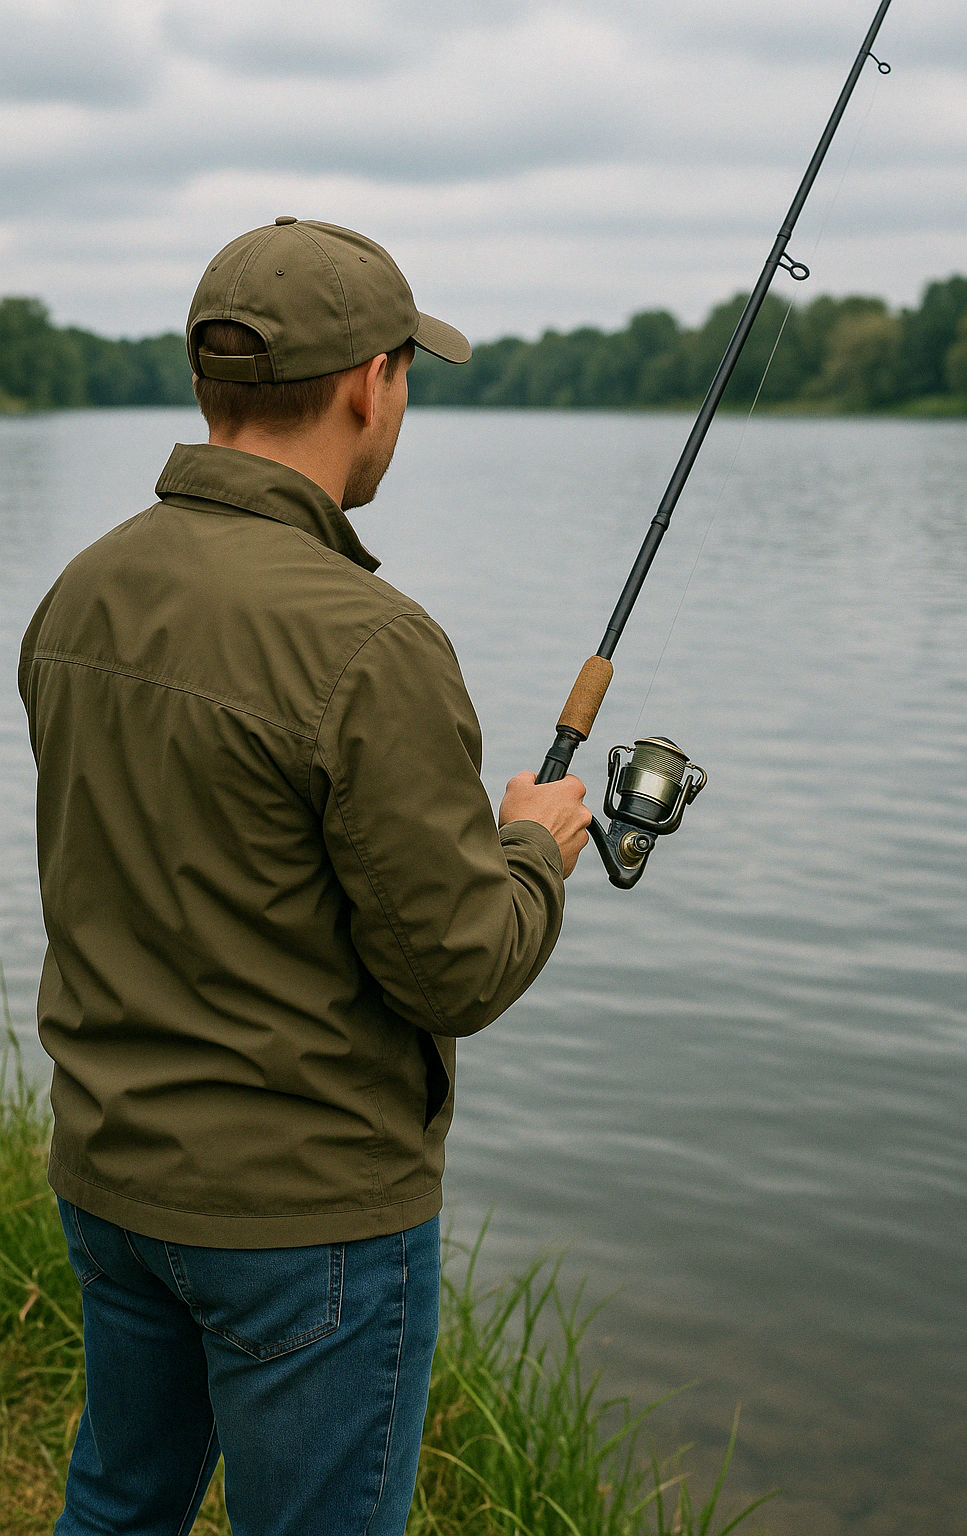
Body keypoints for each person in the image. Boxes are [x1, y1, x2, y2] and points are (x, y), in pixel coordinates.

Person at [19, 217, 590, 1536]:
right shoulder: (368, 641)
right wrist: (532, 848)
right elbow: (458, 968)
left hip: (111, 1176)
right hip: (302, 1223)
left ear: (210, 379)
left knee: (116, 1508)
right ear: (368, 386)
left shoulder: (80, 590)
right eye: (406, 373)